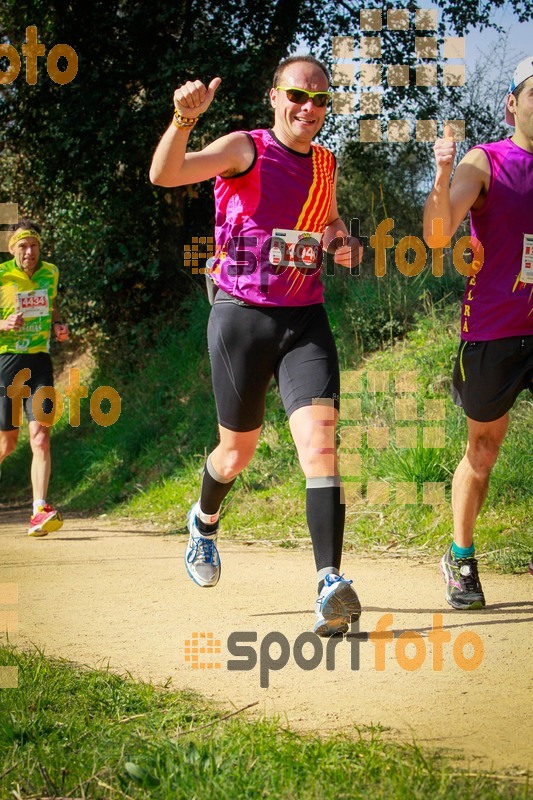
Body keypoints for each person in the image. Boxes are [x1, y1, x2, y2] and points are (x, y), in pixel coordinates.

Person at [150, 54, 364, 635]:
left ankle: (329, 584)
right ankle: (204, 519)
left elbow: (329, 223)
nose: (309, 109)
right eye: (298, 96)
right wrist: (181, 119)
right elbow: (165, 175)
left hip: (304, 320)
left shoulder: (326, 162)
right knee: (235, 454)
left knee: (320, 448)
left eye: (321, 100)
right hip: (242, 319)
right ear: (275, 97)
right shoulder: (246, 148)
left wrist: (342, 241)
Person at [423, 56, 533, 609]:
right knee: (484, 450)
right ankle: (460, 556)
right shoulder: (486, 162)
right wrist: (442, 177)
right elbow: (439, 235)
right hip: (495, 329)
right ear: (512, 103)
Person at [0, 218, 69, 536]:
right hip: (7, 361)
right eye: (23, 246)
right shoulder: (2, 275)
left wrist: (58, 325)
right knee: (7, 443)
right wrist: (4, 324)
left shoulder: (50, 272)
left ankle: (39, 510)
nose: (30, 252)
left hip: (40, 359)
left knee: (41, 436)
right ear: (13, 249)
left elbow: (52, 305)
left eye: (34, 245)